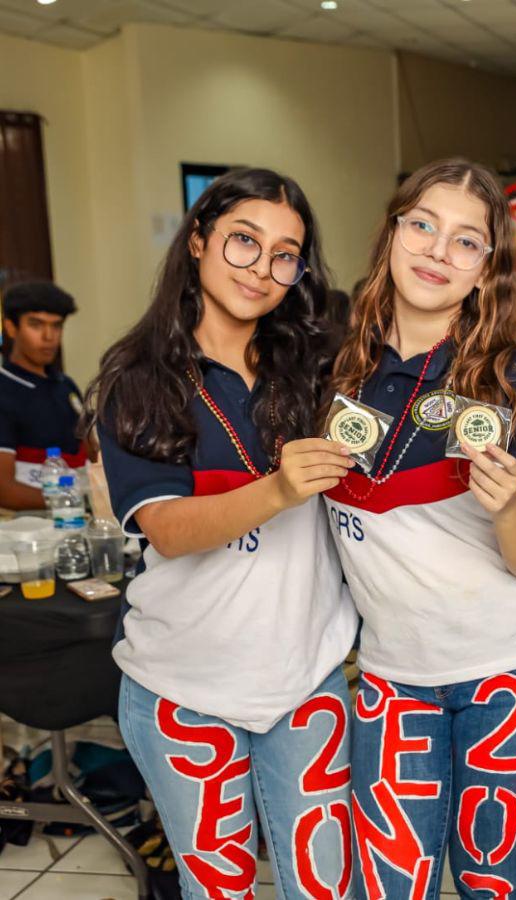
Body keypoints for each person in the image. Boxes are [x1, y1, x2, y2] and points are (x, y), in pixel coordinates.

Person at [82, 168, 359, 899]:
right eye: (243, 242)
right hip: (183, 690)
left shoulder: (318, 371)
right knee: (220, 892)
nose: (261, 269)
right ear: (199, 242)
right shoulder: (138, 381)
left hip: (307, 681)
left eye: (284, 254)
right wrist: (276, 488)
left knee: (325, 888)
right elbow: (168, 530)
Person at [324, 158, 516, 900]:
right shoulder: (335, 370)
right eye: (424, 226)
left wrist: (504, 507)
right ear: (392, 234)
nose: (438, 250)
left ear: (486, 269)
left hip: (514, 669)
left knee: (488, 880)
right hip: (394, 672)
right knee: (389, 880)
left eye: (466, 242)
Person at [0, 281, 83, 508]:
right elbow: (3, 490)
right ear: (11, 327)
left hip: (75, 520)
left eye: (56, 326)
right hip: (24, 530)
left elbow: (89, 453)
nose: (49, 337)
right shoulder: (4, 388)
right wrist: (78, 501)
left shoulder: (66, 385)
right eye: (35, 325)